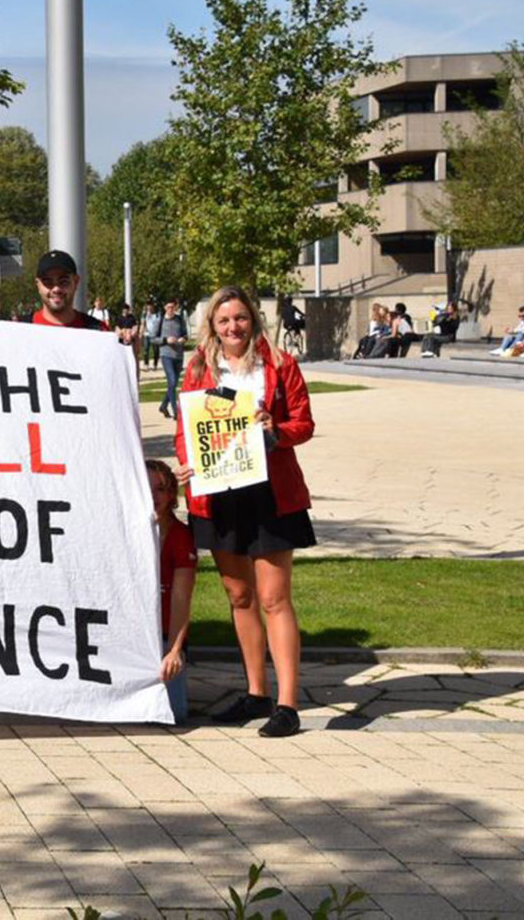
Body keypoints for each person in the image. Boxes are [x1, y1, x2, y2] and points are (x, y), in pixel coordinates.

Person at [174, 285, 315, 739]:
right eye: (224, 321)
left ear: (252, 318)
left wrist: (277, 430)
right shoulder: (199, 368)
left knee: (274, 597)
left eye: (239, 318)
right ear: (212, 327)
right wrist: (188, 463)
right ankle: (256, 693)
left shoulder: (279, 364)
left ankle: (288, 704)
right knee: (239, 596)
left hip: (271, 493)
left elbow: (304, 423)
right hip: (219, 493)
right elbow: (185, 429)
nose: (233, 327)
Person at [147, 459, 198, 726]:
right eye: (146, 489)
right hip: (131, 636)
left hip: (165, 635)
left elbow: (181, 598)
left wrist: (175, 649)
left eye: (160, 489)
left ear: (171, 495)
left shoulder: (180, 537)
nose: (153, 496)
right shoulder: (123, 532)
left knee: (172, 714)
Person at [19, 250, 110, 331]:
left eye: (63, 282)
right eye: (48, 282)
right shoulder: (20, 330)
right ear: (38, 285)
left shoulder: (98, 330)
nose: (56, 289)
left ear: (76, 282)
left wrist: (118, 341)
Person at [158, 298, 187, 420]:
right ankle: (176, 412)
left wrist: (183, 339)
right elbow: (153, 338)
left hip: (178, 356)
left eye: (173, 307)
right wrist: (166, 340)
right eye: (168, 307)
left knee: (172, 384)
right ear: (165, 308)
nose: (170, 309)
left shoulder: (179, 319)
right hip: (166, 355)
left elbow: (185, 334)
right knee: (173, 381)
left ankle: (163, 405)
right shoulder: (160, 321)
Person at [142, 301, 162, 369]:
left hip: (155, 335)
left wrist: (159, 333)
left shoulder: (158, 314)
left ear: (153, 306)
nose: (149, 308)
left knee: (156, 351)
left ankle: (155, 364)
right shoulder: (145, 314)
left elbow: (159, 324)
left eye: (150, 306)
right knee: (146, 350)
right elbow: (143, 323)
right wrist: (143, 330)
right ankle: (146, 364)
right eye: (148, 306)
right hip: (147, 335)